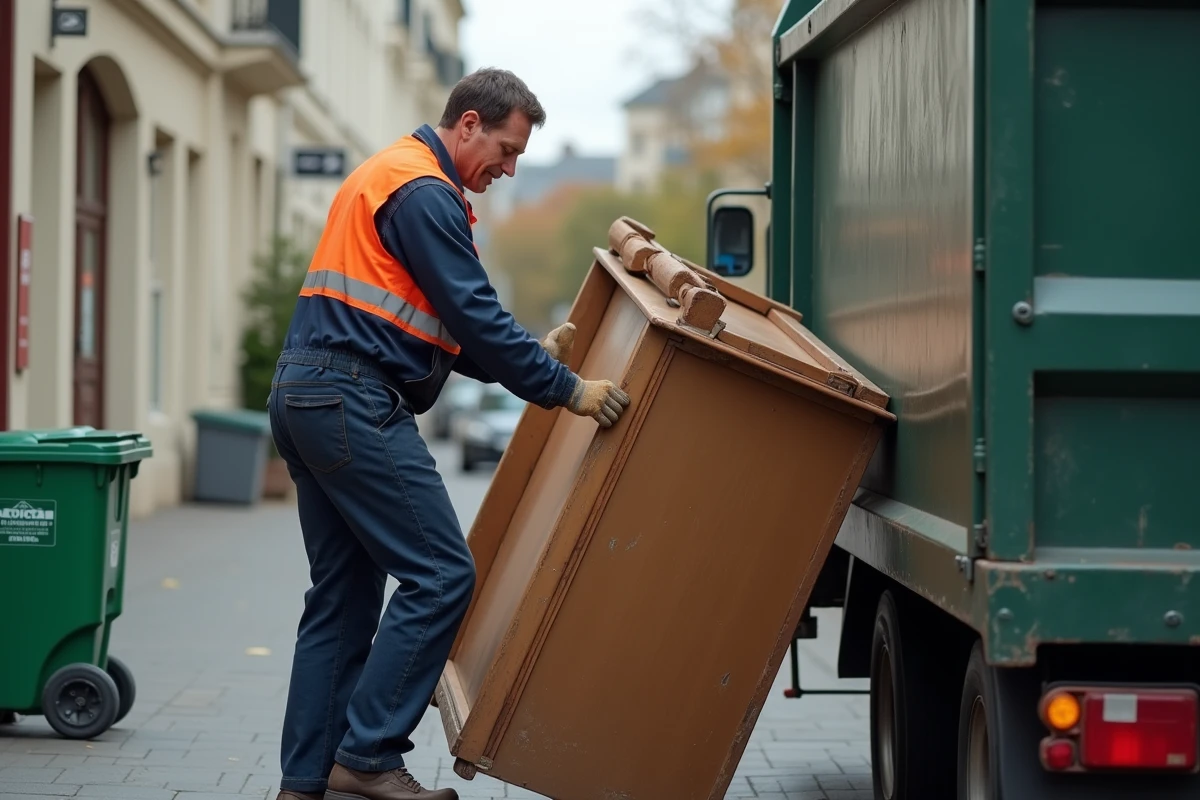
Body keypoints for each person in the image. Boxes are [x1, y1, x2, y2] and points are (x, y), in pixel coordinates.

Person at [268, 69, 631, 800]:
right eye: (505, 148)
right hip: (349, 398)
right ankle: (367, 756)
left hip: (307, 392)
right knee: (442, 574)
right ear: (467, 124)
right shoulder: (426, 193)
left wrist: (529, 354)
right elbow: (470, 310)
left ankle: (305, 783)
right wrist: (565, 389)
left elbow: (427, 321)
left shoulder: (395, 177)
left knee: (341, 598)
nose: (509, 167)